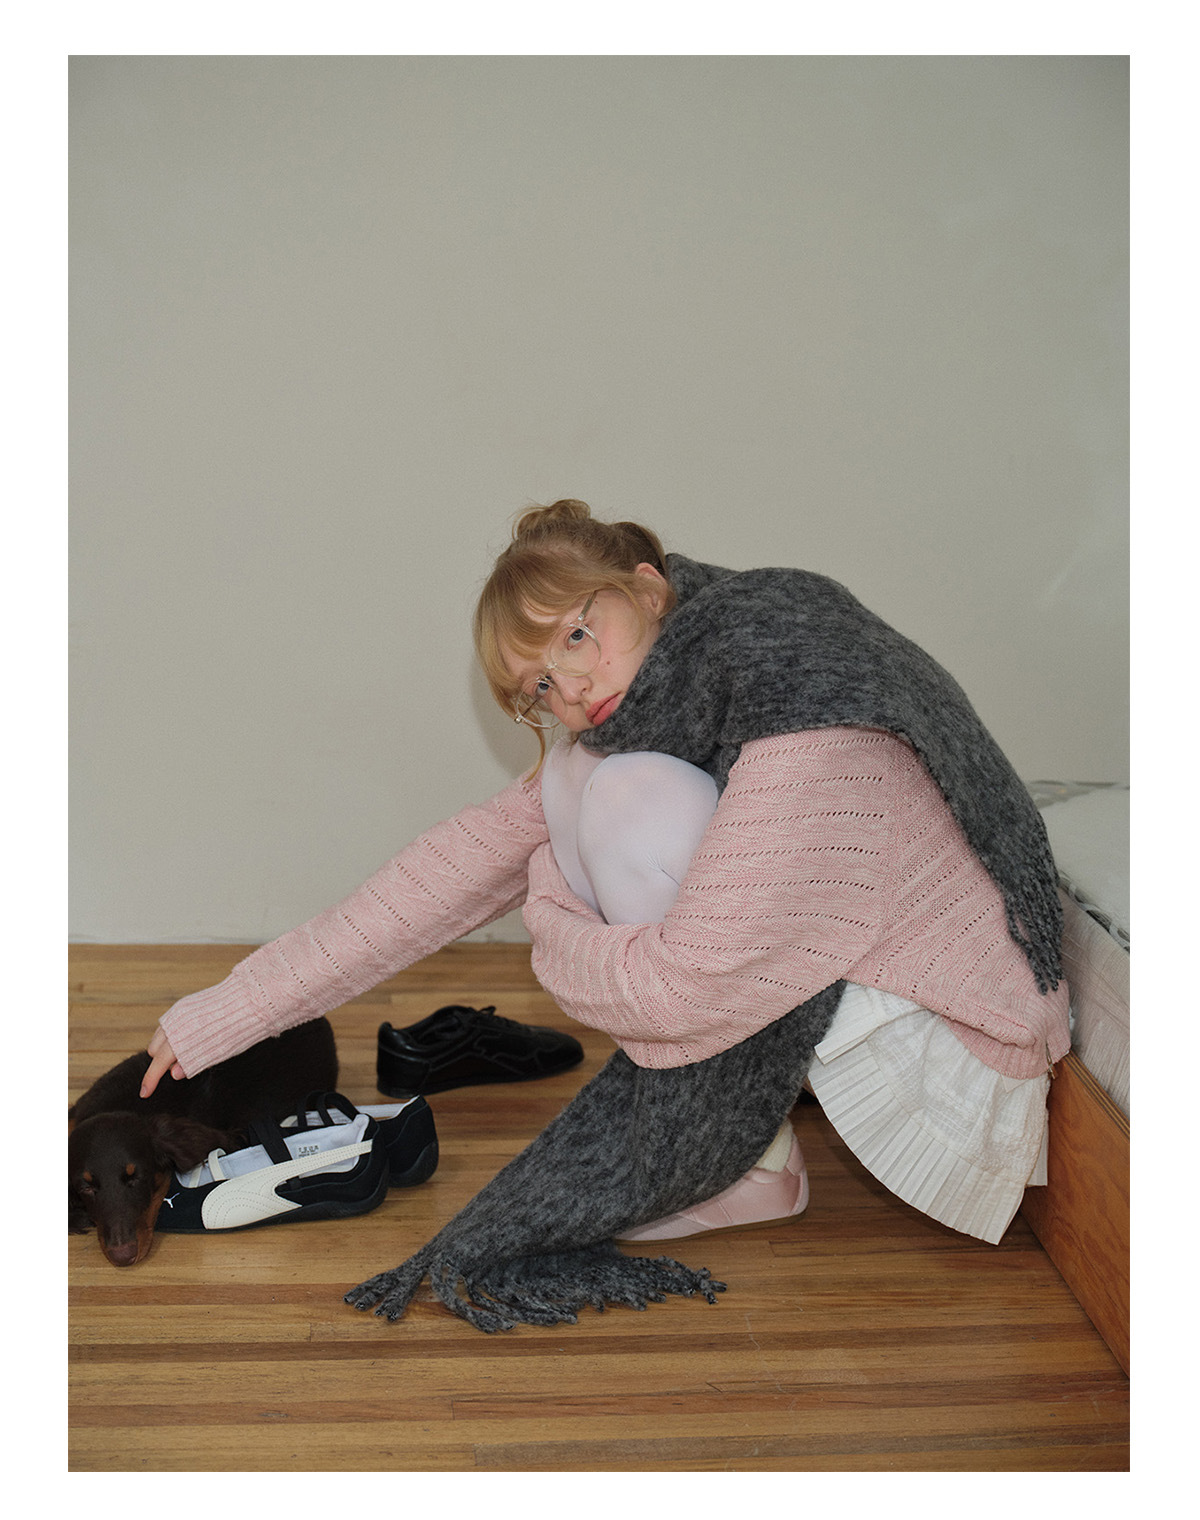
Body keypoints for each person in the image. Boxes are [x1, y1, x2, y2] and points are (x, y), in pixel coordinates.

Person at [139, 499, 1069, 1326]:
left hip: (943, 1030)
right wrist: (224, 1013)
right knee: (575, 782)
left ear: (649, 587)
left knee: (612, 796)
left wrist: (548, 920)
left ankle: (749, 1159)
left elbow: (678, 988)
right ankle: (758, 1143)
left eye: (577, 635)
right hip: (828, 972)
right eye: (539, 685)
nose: (572, 688)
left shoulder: (797, 690)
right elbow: (436, 879)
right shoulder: (671, 693)